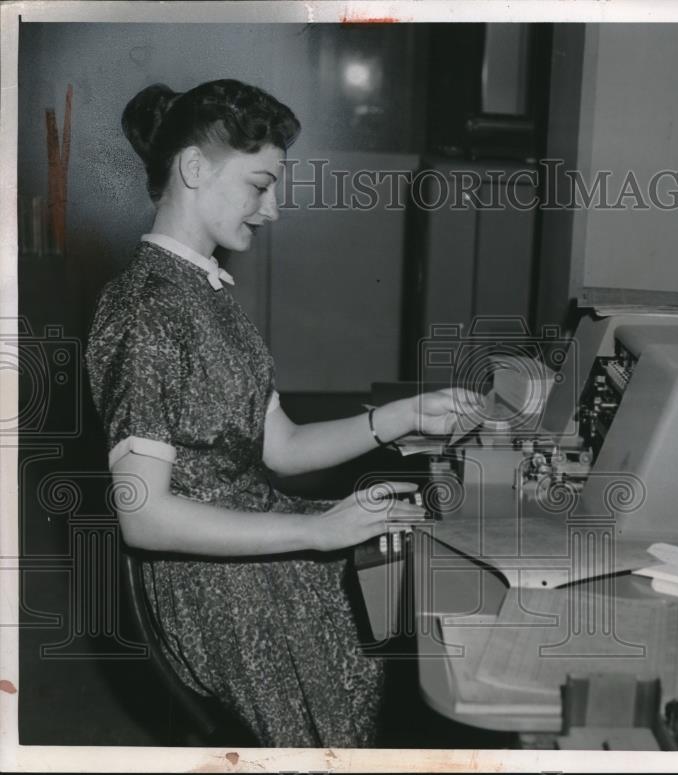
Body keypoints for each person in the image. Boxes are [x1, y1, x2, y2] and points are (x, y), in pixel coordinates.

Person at [85, 79, 480, 748]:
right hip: (214, 588)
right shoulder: (144, 311)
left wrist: (398, 416)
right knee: (413, 614)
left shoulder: (205, 291)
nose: (272, 210)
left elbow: (282, 445)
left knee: (417, 562)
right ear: (193, 169)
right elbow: (142, 514)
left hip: (250, 542)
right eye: (259, 185)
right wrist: (319, 531)